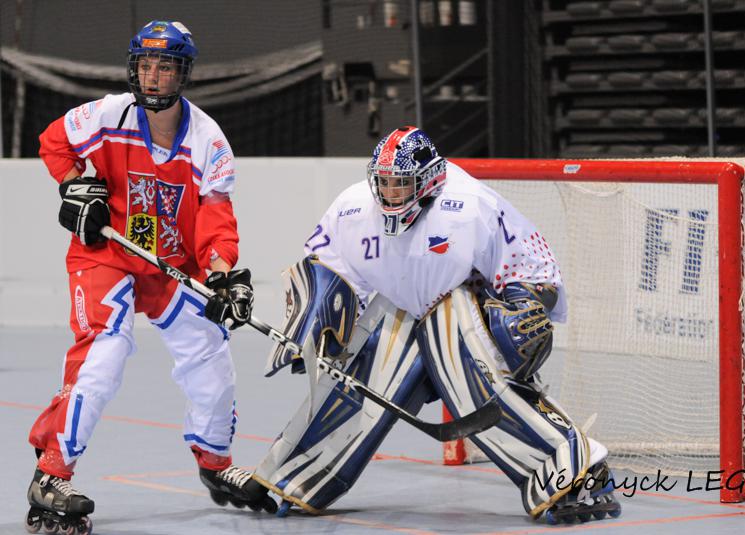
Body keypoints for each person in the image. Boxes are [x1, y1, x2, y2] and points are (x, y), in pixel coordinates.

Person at [254, 126, 621, 523]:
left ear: (428, 180)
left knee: (474, 381)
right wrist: (315, 331)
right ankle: (291, 475)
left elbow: (534, 267)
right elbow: (323, 272)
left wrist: (523, 310)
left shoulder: (471, 204)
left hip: (460, 310)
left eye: (400, 184)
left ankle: (579, 473)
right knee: (356, 385)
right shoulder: (351, 207)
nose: (389, 193)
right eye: (384, 183)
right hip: (397, 309)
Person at [26, 21, 275, 534]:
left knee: (209, 347)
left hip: (171, 266)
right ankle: (51, 475)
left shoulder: (209, 141)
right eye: (144, 64)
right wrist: (76, 189)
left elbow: (216, 219)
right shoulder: (107, 113)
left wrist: (223, 277)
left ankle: (214, 460)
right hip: (108, 256)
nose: (153, 76)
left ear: (183, 73)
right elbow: (54, 143)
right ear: (133, 68)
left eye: (165, 66)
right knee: (105, 353)